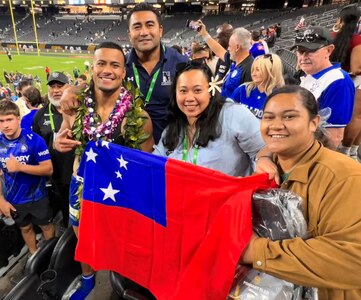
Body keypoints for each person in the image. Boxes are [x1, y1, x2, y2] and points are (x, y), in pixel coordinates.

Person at [54, 41, 154, 300]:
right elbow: (62, 135)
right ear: (92, 68)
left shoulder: (139, 118)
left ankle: (117, 283)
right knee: (83, 239)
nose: (107, 70)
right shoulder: (74, 107)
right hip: (82, 185)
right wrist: (57, 140)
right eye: (101, 63)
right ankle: (88, 281)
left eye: (115, 65)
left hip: (119, 193)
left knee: (119, 245)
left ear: (123, 72)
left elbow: (146, 166)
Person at [241, 85, 361, 299]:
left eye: (289, 116)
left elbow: (353, 260)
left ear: (314, 122)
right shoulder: (268, 169)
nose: (276, 125)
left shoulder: (344, 176)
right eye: (268, 117)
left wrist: (256, 251)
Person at [153, 61, 264, 177]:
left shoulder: (232, 114)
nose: (189, 98)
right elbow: (155, 162)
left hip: (230, 194)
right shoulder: (173, 127)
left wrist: (262, 160)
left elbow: (263, 150)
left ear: (211, 90)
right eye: (183, 91)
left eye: (197, 90)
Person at [125, 2, 188, 144]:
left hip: (173, 151)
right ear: (130, 35)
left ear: (160, 30)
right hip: (131, 154)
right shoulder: (121, 66)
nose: (143, 32)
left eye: (149, 25)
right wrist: (73, 91)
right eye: (137, 26)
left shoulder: (181, 63)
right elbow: (96, 88)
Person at [0, 100, 55, 256]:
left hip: (37, 196)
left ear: (18, 119)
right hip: (14, 199)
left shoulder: (34, 140)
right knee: (25, 228)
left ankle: (50, 256)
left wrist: (20, 167)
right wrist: (1, 200)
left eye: (9, 119)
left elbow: (48, 169)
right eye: (1, 121)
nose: (5, 125)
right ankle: (33, 255)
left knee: (45, 226)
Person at [291, 26, 355, 150]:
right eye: (300, 50)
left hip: (310, 153)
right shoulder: (310, 74)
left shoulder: (338, 81)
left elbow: (333, 136)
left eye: (311, 51)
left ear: (329, 51)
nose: (303, 57)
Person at [32, 72, 74, 229]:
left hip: (81, 171)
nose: (56, 90)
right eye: (52, 86)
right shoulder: (40, 116)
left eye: (60, 86)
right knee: (66, 213)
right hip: (57, 175)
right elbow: (37, 148)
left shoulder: (80, 109)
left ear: (68, 87)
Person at [331, 5, 361, 160]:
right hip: (354, 83)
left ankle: (349, 151)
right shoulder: (357, 39)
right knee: (357, 117)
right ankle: (348, 151)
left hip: (335, 80)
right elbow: (356, 68)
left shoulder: (332, 36)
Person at [197, 22, 254, 99]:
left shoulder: (249, 69)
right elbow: (218, 49)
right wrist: (204, 33)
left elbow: (247, 100)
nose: (228, 49)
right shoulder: (235, 60)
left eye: (230, 46)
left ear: (237, 47)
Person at [231, 53, 285, 119]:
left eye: (258, 70)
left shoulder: (279, 97)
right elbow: (229, 112)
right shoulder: (243, 89)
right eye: (253, 69)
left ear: (270, 71)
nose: (253, 73)